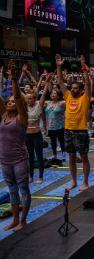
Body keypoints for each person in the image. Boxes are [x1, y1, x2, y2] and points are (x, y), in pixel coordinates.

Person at [0, 61, 31, 231]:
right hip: (5, 160)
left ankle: (23, 220)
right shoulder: (4, 114)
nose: (10, 102)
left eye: (13, 101)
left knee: (23, 190)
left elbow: (19, 97)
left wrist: (14, 80)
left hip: (19, 160)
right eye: (9, 100)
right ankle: (15, 219)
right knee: (12, 191)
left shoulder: (22, 117)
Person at [56, 54, 92, 191]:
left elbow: (88, 84)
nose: (73, 89)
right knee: (71, 157)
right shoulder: (68, 96)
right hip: (68, 130)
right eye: (72, 88)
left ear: (81, 90)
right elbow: (60, 82)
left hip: (81, 131)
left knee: (83, 157)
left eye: (76, 88)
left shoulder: (85, 98)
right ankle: (74, 181)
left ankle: (86, 182)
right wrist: (59, 66)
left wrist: (84, 68)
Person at [41, 76, 66, 163]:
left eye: (55, 93)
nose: (52, 95)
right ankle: (55, 155)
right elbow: (39, 100)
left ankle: (63, 154)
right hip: (51, 127)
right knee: (53, 142)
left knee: (62, 141)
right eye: (52, 93)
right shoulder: (47, 103)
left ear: (58, 95)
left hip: (60, 126)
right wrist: (47, 83)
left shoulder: (62, 103)